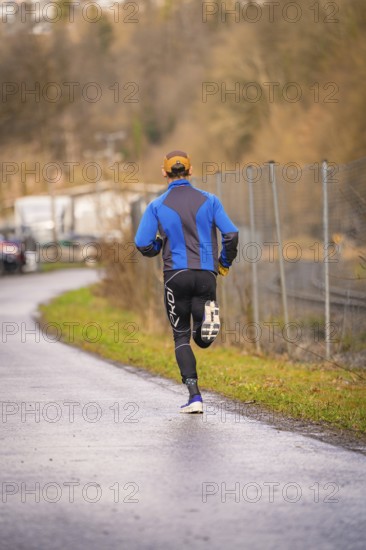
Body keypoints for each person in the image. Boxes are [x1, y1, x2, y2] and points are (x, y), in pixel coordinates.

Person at [135, 150, 239, 413]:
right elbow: (231, 234)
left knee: (180, 337)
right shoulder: (211, 200)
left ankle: (194, 397)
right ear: (191, 172)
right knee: (202, 334)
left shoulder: (157, 205)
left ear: (164, 173)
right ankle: (204, 327)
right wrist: (223, 263)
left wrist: (158, 245)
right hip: (206, 274)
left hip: (176, 276)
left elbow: (142, 243)